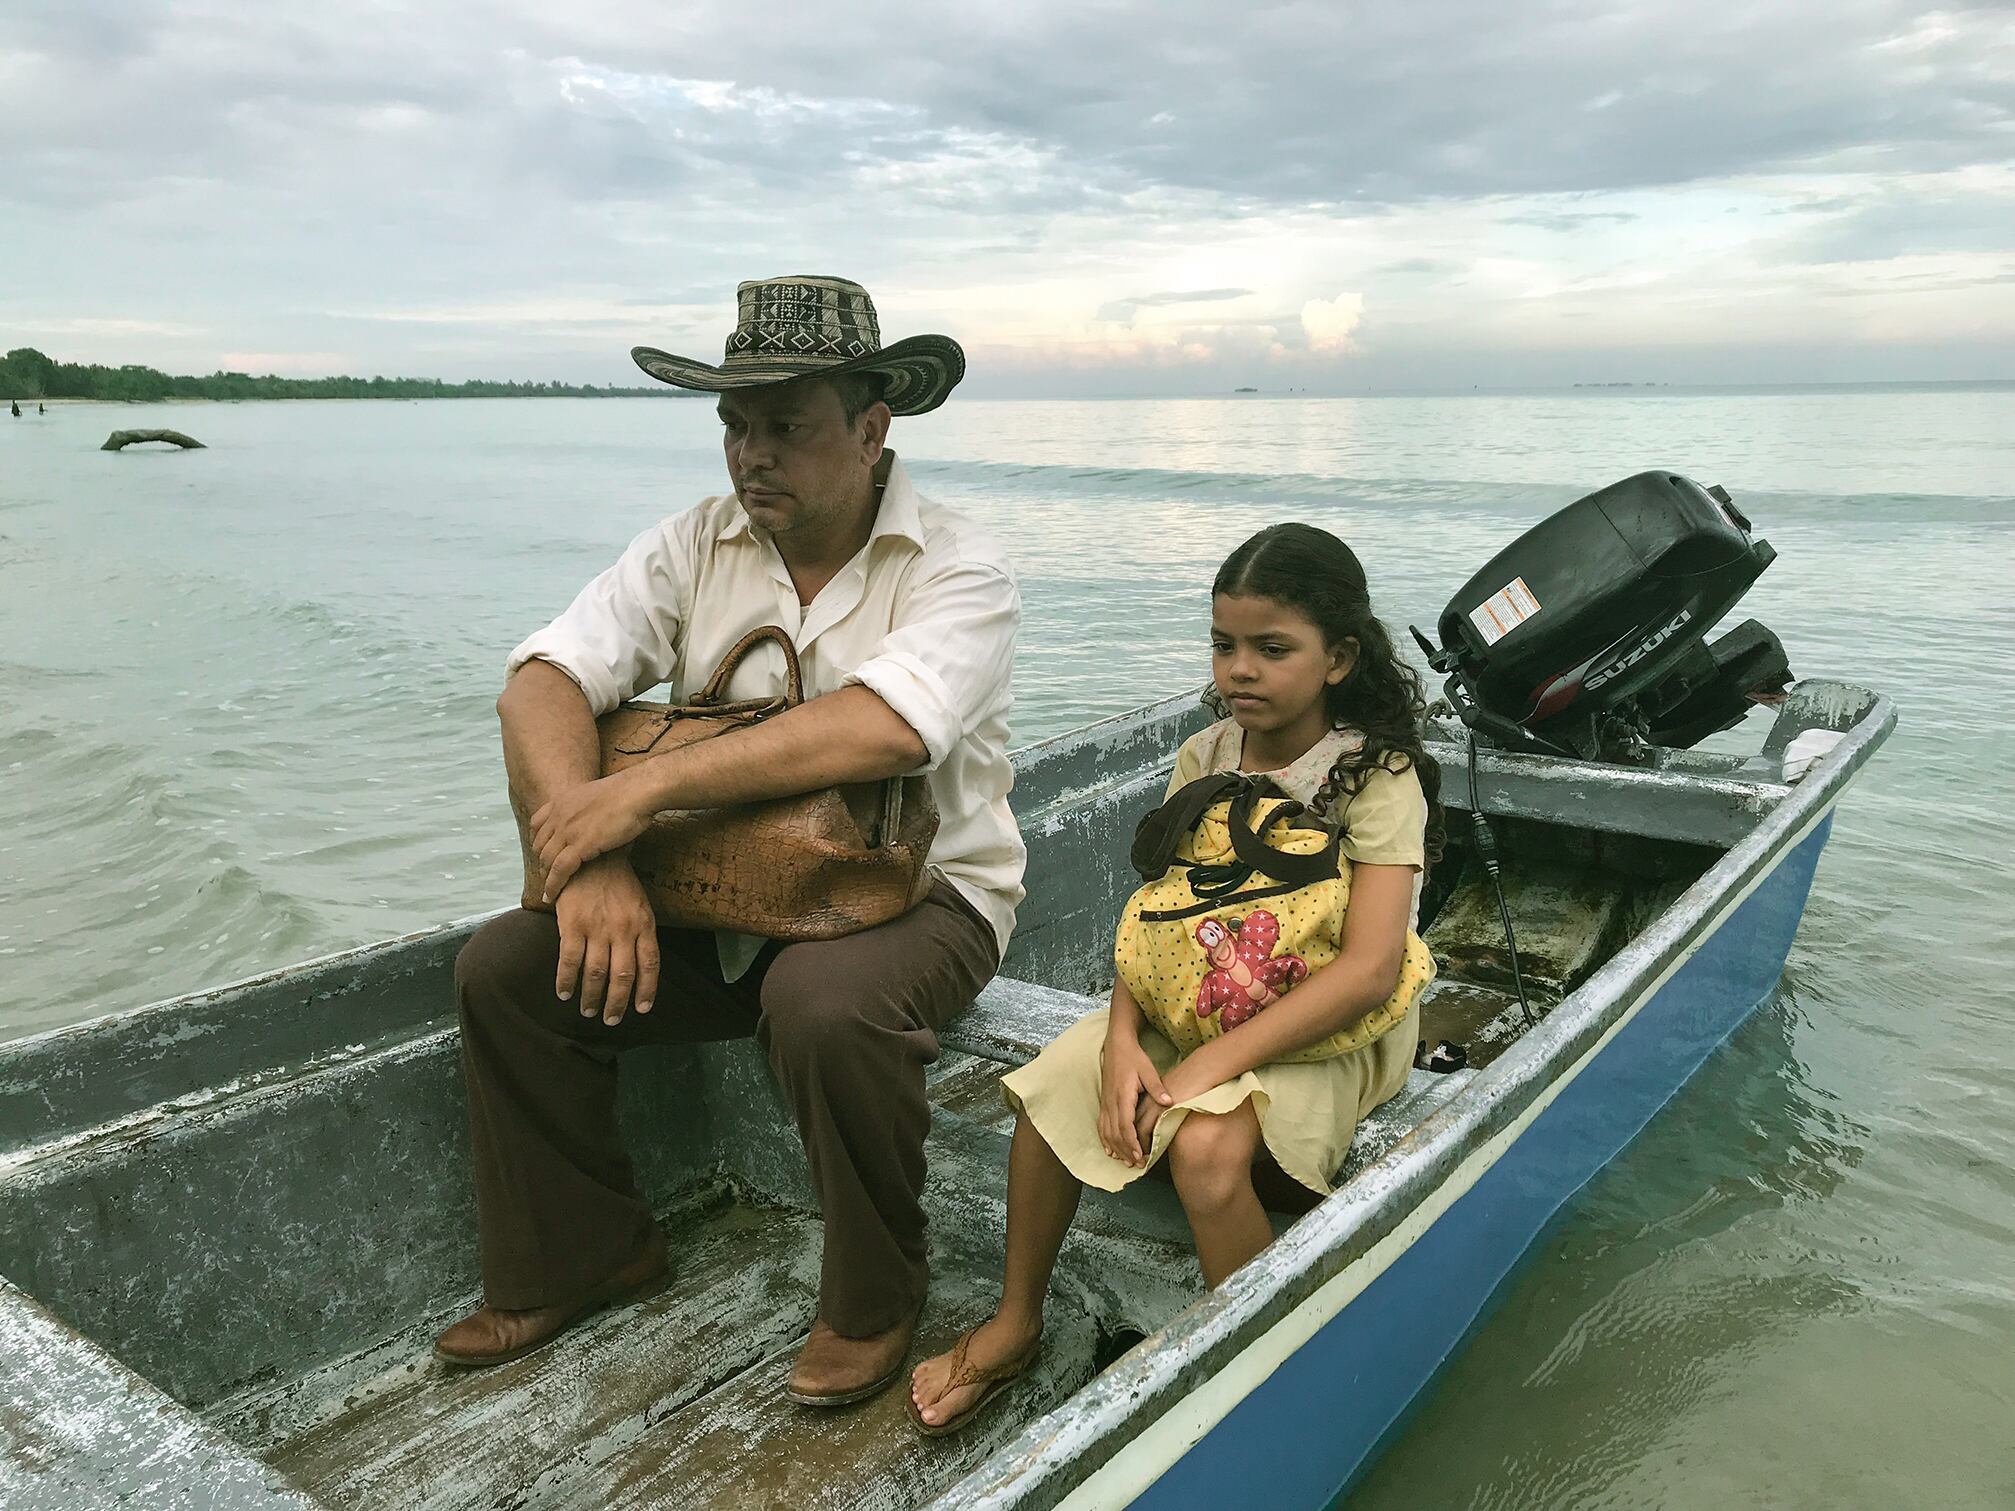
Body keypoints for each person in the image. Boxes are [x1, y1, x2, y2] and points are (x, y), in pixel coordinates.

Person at [437, 276, 1026, 1410]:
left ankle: (873, 1292)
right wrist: (594, 857)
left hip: (922, 896)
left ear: (869, 429)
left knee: (820, 1000)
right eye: (734, 424)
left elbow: (885, 725)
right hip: (725, 888)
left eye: (786, 425)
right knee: (504, 972)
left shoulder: (958, 568)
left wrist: (638, 794)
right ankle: (588, 1250)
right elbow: (541, 685)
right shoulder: (692, 545)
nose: (750, 455)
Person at [909, 522, 1442, 1434]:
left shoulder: (1375, 778)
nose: (1240, 669)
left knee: (1204, 1147)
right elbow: (1158, 922)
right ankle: (1015, 1318)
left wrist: (1199, 1072)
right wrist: (1122, 1043)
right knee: (1046, 1097)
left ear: (1339, 657)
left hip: (1324, 1021)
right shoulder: (1205, 757)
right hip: (1200, 990)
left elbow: (1367, 971)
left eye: (1273, 649)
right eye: (1223, 645)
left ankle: (1256, 1355)